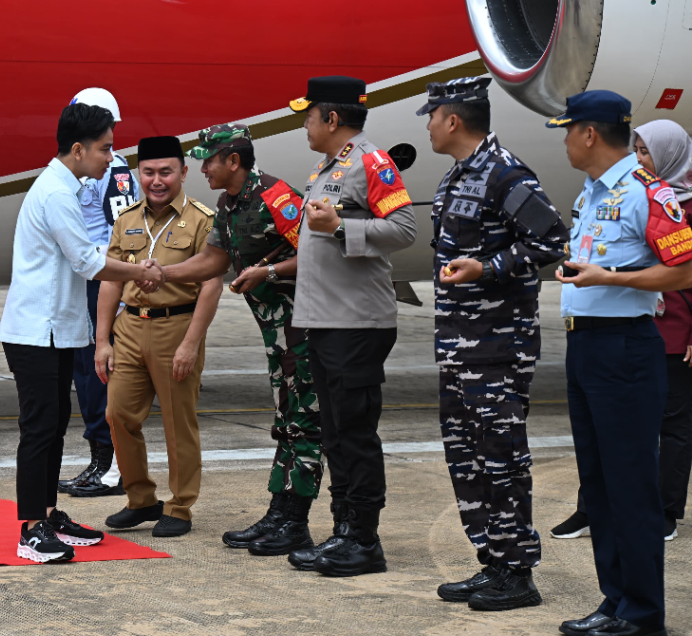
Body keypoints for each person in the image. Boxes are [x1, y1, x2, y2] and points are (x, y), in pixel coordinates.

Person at [417, 77, 568, 610]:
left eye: (431, 116)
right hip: (460, 345)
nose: (428, 125)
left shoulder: (505, 173)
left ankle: (519, 572)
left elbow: (551, 238)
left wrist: (488, 267)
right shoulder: (459, 175)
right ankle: (494, 561)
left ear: (452, 120)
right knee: (468, 458)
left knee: (502, 457)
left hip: (498, 346)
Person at [0, 103, 165, 564]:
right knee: (38, 429)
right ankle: (31, 529)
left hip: (53, 330)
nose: (111, 158)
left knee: (51, 427)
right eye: (105, 149)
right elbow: (88, 262)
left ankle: (48, 514)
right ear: (78, 149)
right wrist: (139, 271)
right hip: (34, 331)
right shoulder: (55, 193)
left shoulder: (65, 187)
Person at [551, 91, 692, 636]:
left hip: (625, 348)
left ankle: (643, 614)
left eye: (568, 130)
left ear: (589, 133)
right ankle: (615, 601)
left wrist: (611, 279)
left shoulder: (646, 193)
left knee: (631, 485)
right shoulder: (591, 193)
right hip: (586, 347)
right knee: (601, 483)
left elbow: (683, 271)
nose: (564, 140)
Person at [145, 123, 323, 556]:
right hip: (278, 333)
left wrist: (270, 272)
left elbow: (320, 254)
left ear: (234, 161)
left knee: (304, 423)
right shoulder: (229, 203)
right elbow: (212, 260)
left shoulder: (276, 199)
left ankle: (296, 522)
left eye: (209, 160)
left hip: (306, 329)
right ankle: (279, 513)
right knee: (286, 423)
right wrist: (162, 272)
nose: (202, 167)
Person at [280, 76, 417, 577]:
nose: (305, 126)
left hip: (357, 323)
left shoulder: (371, 162)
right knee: (335, 432)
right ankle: (342, 531)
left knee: (354, 433)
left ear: (331, 118)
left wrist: (338, 227)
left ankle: (363, 539)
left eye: (308, 115)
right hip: (327, 321)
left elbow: (403, 230)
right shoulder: (330, 166)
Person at [96, 135, 224, 538]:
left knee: (177, 423)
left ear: (183, 173)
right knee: (117, 415)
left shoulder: (203, 220)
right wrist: (102, 340)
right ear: (138, 173)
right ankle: (140, 499)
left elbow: (211, 285)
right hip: (130, 328)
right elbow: (110, 282)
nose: (157, 180)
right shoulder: (127, 219)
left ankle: (180, 506)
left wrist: (191, 343)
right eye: (148, 172)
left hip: (176, 327)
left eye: (166, 172)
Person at [57, 88, 140, 498]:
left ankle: (108, 466)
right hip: (92, 278)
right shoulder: (117, 167)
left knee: (96, 374)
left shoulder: (104, 170)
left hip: (99, 280)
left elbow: (117, 232)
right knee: (86, 371)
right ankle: (102, 460)